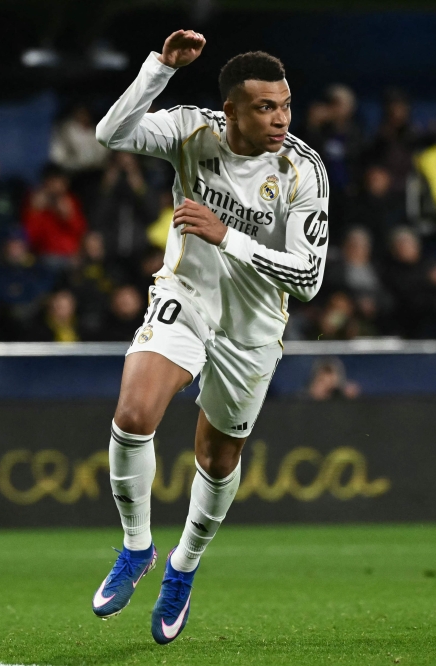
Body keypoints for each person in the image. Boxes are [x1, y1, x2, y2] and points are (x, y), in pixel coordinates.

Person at [90, 30, 330, 644]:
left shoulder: (302, 171)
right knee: (133, 413)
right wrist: (158, 71)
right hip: (186, 296)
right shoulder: (191, 131)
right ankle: (137, 546)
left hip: (252, 330)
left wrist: (230, 237)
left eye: (285, 105)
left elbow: (307, 278)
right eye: (264, 108)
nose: (280, 120)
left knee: (218, 460)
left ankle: (182, 569)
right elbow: (110, 135)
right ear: (231, 110)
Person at [22, 164, 88, 268]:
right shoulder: (35, 201)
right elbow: (29, 235)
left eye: (61, 182)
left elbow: (81, 231)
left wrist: (69, 216)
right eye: (53, 182)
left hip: (70, 258)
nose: (57, 186)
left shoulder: (71, 201)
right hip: (44, 258)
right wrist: (34, 212)